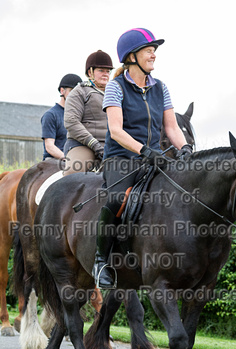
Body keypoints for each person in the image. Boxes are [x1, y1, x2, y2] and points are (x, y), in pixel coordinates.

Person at [92, 27, 193, 289]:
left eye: (154, 51)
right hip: (121, 158)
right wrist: (144, 150)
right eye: (149, 50)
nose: (154, 55)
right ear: (132, 56)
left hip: (153, 157)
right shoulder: (116, 87)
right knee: (116, 199)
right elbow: (116, 130)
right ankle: (101, 260)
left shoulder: (162, 88)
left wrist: (185, 150)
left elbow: (170, 128)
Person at [63, 50, 114, 175]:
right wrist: (95, 144)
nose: (105, 74)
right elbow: (71, 122)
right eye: (101, 71)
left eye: (108, 71)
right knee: (73, 172)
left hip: (111, 145)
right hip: (84, 145)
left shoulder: (116, 93)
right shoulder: (80, 92)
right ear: (90, 72)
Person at [41, 73, 82, 160]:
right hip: (54, 161)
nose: (76, 96)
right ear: (62, 91)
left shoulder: (81, 115)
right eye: (72, 91)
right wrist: (68, 159)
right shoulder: (51, 115)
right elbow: (49, 146)